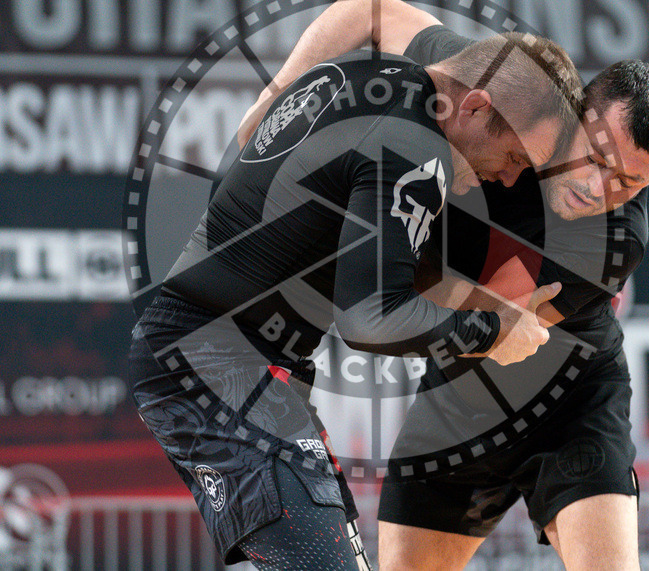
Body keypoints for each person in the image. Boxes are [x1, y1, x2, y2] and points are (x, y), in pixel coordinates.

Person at [238, 0, 649, 570]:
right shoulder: (498, 98)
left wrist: (388, 233)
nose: (600, 190)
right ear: (571, 112)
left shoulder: (617, 237)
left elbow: (490, 320)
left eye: (631, 182)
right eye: (598, 158)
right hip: (456, 401)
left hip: (569, 405)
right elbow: (366, 8)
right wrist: (270, 105)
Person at [129, 31, 584, 569]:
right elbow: (371, 319)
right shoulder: (418, 150)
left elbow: (363, 0)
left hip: (226, 360)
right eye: (513, 156)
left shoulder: (370, 73)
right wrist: (491, 335)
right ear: (476, 105)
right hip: (215, 360)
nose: (507, 178)